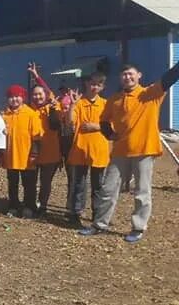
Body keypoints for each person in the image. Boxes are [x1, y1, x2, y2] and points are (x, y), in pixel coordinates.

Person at [79, 60, 179, 242]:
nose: (127, 77)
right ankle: (99, 224)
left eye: (131, 74)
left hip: (144, 150)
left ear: (139, 75)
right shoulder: (114, 99)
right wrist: (110, 135)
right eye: (124, 75)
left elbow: (169, 78)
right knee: (108, 189)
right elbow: (103, 120)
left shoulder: (150, 94)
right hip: (120, 152)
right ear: (120, 78)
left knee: (141, 191)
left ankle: (138, 227)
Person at [65, 72, 109, 228]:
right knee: (79, 184)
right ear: (86, 84)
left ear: (102, 87)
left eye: (98, 84)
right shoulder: (79, 103)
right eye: (92, 83)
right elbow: (70, 123)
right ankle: (75, 213)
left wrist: (96, 126)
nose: (94, 87)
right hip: (80, 150)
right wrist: (72, 104)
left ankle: (97, 214)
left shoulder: (105, 104)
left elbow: (113, 125)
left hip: (99, 151)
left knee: (98, 186)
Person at [0, 84, 42, 218]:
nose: (14, 99)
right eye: (11, 97)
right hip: (10, 156)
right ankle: (13, 205)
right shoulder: (3, 115)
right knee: (12, 183)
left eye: (17, 96)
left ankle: (29, 206)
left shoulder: (31, 114)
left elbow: (37, 137)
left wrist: (34, 154)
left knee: (29, 184)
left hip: (27, 157)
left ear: (22, 98)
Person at [28, 74, 63, 216]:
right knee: (30, 181)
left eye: (40, 94)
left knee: (45, 182)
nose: (37, 97)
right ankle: (30, 204)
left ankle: (43, 205)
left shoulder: (53, 107)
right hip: (31, 152)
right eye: (35, 95)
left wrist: (37, 76)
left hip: (50, 152)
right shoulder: (28, 110)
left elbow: (56, 125)